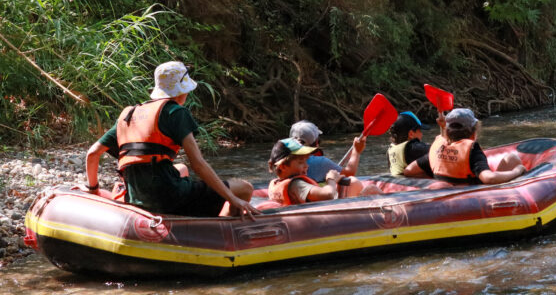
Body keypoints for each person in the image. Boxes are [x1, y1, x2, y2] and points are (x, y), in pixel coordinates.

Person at [84, 61, 258, 217]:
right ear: (182, 91)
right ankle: (223, 226)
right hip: (169, 198)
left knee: (181, 168)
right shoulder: (176, 112)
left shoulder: (128, 115)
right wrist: (232, 198)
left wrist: (94, 189)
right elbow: (198, 165)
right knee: (244, 188)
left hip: (135, 196)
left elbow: (92, 154)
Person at [403, 108, 527, 184]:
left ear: (447, 132)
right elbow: (488, 178)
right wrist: (517, 171)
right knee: (512, 159)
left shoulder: (437, 149)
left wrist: (439, 182)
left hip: (446, 193)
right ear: (473, 132)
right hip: (477, 197)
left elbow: (409, 171)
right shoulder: (472, 150)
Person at [267, 138, 374, 205]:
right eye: (300, 162)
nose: (306, 166)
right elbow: (328, 195)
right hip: (324, 223)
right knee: (371, 190)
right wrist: (331, 179)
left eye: (305, 161)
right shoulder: (297, 184)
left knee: (356, 185)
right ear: (283, 167)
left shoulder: (276, 183)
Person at [288, 120, 365, 181]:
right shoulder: (320, 162)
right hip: (316, 195)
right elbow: (349, 173)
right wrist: (356, 151)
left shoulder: (286, 160)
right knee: (355, 182)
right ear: (316, 143)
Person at [387, 111, 431, 176]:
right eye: (420, 131)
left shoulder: (390, 150)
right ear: (411, 134)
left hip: (398, 180)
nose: (421, 134)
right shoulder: (413, 147)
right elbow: (438, 152)